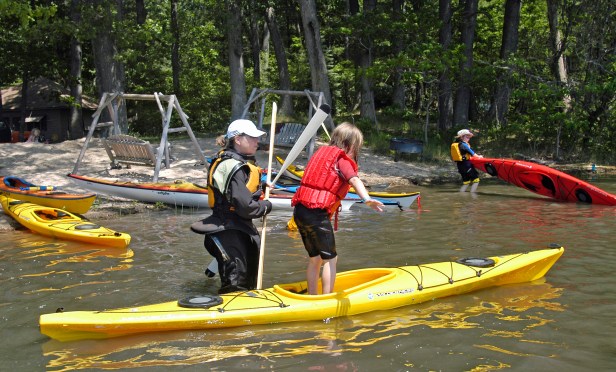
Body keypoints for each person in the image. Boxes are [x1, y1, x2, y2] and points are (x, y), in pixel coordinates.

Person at [291, 122, 384, 295]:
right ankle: (327, 298)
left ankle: (312, 295)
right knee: (330, 259)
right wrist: (367, 199)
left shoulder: (320, 153)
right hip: (317, 213)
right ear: (350, 145)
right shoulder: (341, 159)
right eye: (357, 147)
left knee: (315, 258)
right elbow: (354, 180)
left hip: (300, 211)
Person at [190, 119, 273, 294]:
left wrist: (262, 190)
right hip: (226, 230)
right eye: (252, 137)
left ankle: (246, 304)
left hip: (237, 228)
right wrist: (266, 206)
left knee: (247, 278)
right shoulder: (233, 166)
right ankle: (229, 311)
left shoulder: (236, 163)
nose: (257, 141)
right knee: (236, 283)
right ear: (237, 139)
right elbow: (245, 207)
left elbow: (240, 192)